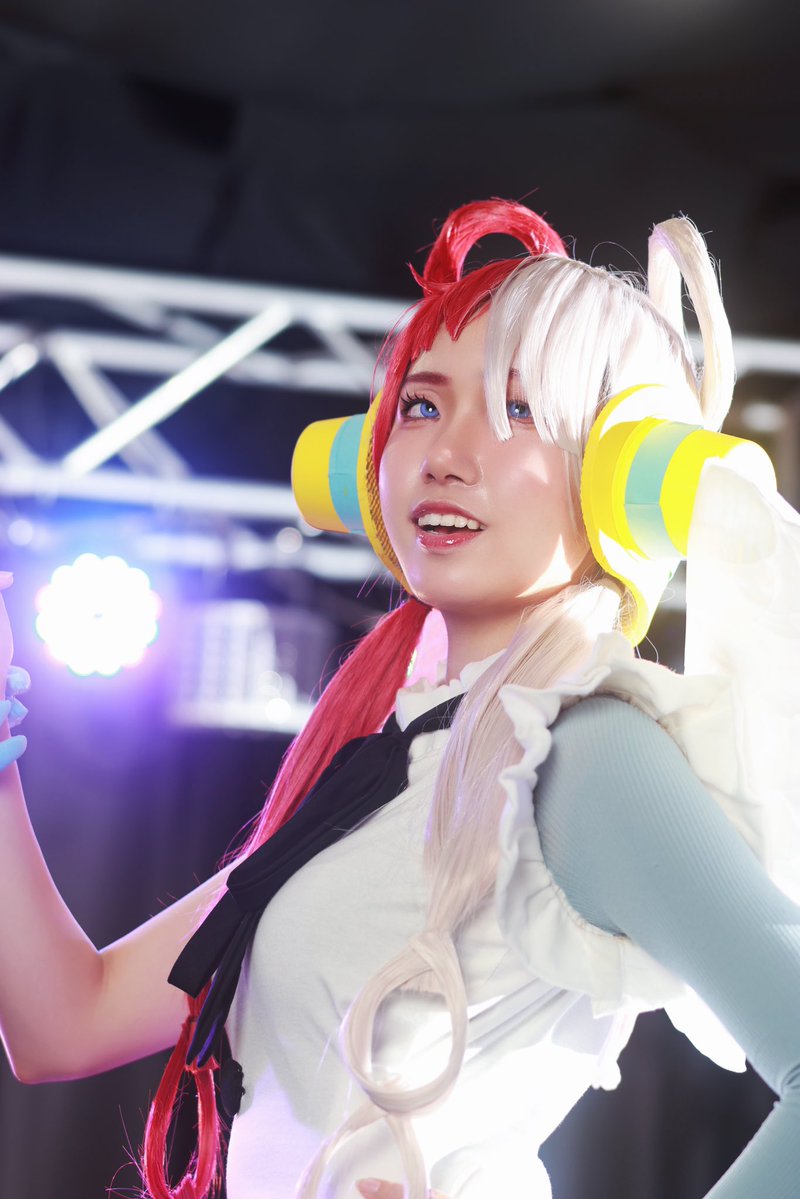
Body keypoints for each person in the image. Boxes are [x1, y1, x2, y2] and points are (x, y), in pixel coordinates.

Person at [1, 198, 799, 1199]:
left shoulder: (580, 751)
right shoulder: (384, 766)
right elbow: (63, 1021)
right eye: (421, 405)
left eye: (517, 410)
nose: (444, 453)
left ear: (616, 470)